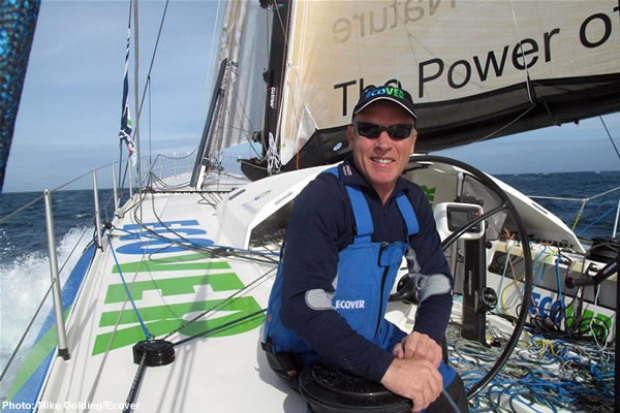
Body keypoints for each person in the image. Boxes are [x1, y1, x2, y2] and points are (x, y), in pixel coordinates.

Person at [262, 79, 468, 413]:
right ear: (352, 136)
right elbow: (303, 306)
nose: (384, 143)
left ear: (413, 141)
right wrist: (389, 370)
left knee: (448, 392)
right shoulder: (324, 198)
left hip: (370, 334)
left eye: (399, 131)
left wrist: (426, 335)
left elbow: (436, 281)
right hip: (307, 348)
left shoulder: (413, 202)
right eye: (370, 130)